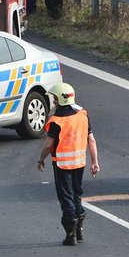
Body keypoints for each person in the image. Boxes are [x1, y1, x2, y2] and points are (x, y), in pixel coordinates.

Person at [37, 83, 100, 246]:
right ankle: (79, 230)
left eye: (54, 98)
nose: (53, 101)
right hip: (80, 163)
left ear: (58, 99)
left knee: (66, 197)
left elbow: (48, 145)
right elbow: (91, 140)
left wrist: (41, 159)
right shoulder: (82, 115)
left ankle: (71, 233)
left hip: (62, 165)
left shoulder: (57, 121)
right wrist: (95, 162)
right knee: (76, 194)